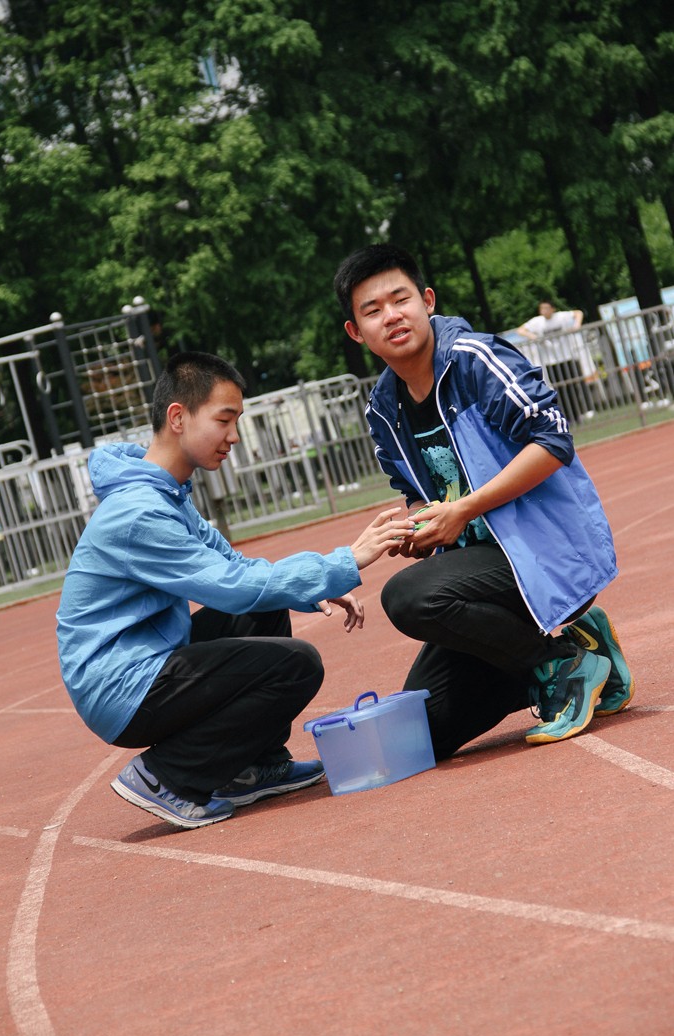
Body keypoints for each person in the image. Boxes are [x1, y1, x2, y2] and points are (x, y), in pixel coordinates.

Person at [56, 352, 415, 829]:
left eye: (237, 420)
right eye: (224, 419)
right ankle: (168, 776)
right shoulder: (139, 513)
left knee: (267, 614)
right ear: (178, 417)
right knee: (296, 664)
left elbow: (237, 566)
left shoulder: (167, 493)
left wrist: (315, 585)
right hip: (119, 685)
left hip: (147, 658)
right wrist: (346, 561)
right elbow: (230, 587)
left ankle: (251, 768)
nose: (234, 436)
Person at [333, 244, 634, 760]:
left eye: (399, 299)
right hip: (483, 575)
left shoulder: (474, 360)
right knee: (424, 733)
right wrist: (420, 527)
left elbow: (553, 440)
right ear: (356, 332)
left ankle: (563, 665)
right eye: (372, 310)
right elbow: (423, 490)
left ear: (427, 300)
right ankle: (582, 649)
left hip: (544, 550)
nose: (392, 316)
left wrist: (463, 511)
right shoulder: (384, 407)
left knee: (407, 598)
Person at [517, 299, 597, 423]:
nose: (544, 311)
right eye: (542, 309)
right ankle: (570, 416)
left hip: (568, 357)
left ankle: (585, 410)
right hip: (552, 361)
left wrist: (577, 325)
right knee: (560, 389)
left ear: (552, 309)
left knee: (576, 384)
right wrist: (533, 337)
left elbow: (578, 313)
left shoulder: (561, 317)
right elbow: (520, 330)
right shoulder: (537, 322)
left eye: (546, 308)